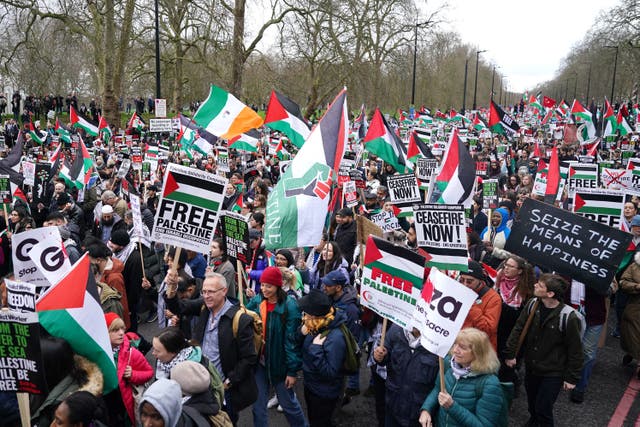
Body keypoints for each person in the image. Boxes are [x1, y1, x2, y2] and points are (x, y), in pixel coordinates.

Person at [163, 272, 258, 424]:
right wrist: (172, 288)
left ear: (224, 291)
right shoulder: (204, 307)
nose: (206, 296)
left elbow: (249, 358)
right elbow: (179, 307)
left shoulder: (240, 320)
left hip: (225, 390)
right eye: (204, 292)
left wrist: (228, 382)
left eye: (211, 292)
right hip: (202, 385)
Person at [505, 274, 584, 427]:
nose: (535, 285)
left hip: (553, 371)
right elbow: (518, 329)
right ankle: (533, 421)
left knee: (543, 408)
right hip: (532, 366)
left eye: (540, 285)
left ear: (550, 294)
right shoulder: (532, 304)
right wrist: (511, 353)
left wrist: (571, 378)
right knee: (532, 403)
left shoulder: (568, 317)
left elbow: (575, 350)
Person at [244, 266, 307, 427]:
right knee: (258, 407)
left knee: (289, 405)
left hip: (280, 365)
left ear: (278, 286)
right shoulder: (258, 301)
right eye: (262, 284)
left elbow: (292, 342)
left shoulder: (290, 306)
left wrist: (292, 371)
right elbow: (244, 315)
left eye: (268, 286)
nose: (264, 289)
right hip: (260, 362)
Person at [418, 328, 505, 427]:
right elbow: (438, 389)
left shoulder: (490, 384)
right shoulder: (448, 364)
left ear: (478, 353)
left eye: (462, 347)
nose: (455, 350)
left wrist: (452, 406)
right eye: (455, 344)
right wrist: (426, 409)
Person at [297, 290, 348, 427]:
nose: (304, 317)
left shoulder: (335, 338)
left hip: (323, 394)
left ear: (314, 315)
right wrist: (300, 334)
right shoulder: (314, 325)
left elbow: (330, 373)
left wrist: (317, 350)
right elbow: (298, 345)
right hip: (311, 386)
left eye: (306, 314)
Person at [373, 325, 438, 427]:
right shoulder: (396, 330)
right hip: (393, 405)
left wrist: (428, 408)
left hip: (418, 415)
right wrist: (379, 356)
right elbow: (385, 353)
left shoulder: (438, 342)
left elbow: (440, 385)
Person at [102, 313, 153, 426]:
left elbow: (149, 372)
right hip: (107, 406)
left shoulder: (131, 353)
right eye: (115, 330)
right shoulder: (99, 355)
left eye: (122, 329)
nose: (121, 333)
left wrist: (133, 375)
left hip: (125, 408)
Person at [321, 269, 361, 399]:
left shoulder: (351, 309)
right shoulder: (330, 298)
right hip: (328, 347)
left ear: (338, 287)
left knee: (337, 385)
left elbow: (353, 337)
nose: (324, 287)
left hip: (339, 352)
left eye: (328, 285)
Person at [495, 255, 535, 383]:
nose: (506, 268)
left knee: (505, 372)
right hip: (495, 333)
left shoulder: (527, 292)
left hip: (511, 336)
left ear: (520, 271)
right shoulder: (497, 282)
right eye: (506, 265)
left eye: (511, 266)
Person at [458, 260, 501, 351]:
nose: (465, 285)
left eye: (469, 281)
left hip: (479, 351)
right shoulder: (457, 289)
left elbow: (488, 329)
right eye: (462, 280)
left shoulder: (493, 298)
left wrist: (471, 305)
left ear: (480, 280)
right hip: (459, 345)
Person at [619, 250, 640, 378]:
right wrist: (637, 286)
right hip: (636, 309)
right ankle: (632, 353)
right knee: (634, 335)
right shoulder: (635, 266)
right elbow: (623, 282)